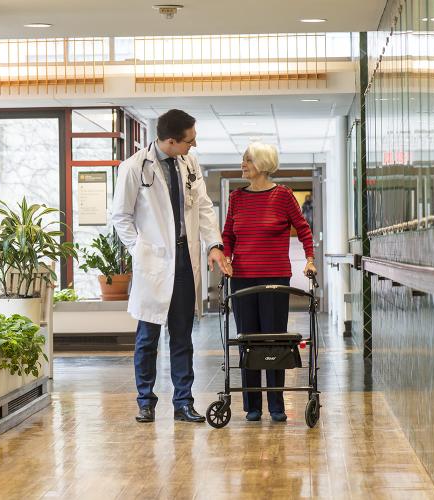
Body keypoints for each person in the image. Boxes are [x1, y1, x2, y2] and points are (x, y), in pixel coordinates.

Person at [111, 109, 232, 424]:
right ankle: (145, 401)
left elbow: (203, 207)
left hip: (184, 257)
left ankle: (183, 402)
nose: (194, 144)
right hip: (154, 261)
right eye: (189, 140)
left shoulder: (189, 163)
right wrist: (138, 249)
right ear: (170, 141)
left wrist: (214, 245)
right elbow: (120, 216)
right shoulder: (134, 168)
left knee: (182, 335)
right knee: (148, 336)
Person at [221, 142, 316, 422]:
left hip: (275, 277)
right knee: (247, 340)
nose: (243, 164)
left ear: (261, 164)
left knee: (274, 340)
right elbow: (228, 234)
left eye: (247, 160)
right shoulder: (237, 197)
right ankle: (252, 405)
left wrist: (310, 259)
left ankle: (276, 404)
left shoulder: (283, 196)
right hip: (241, 279)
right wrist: (226, 257)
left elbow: (303, 228)